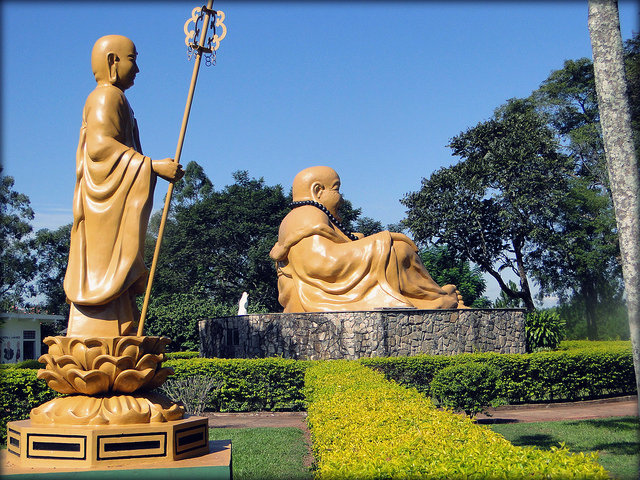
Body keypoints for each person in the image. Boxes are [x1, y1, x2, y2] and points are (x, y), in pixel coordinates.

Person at [63, 35, 184, 337]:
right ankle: (103, 326)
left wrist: (149, 166)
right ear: (112, 61)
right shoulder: (106, 97)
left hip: (110, 200)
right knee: (104, 268)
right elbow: (99, 146)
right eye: (133, 58)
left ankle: (118, 323)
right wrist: (152, 166)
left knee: (116, 277)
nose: (138, 68)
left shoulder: (117, 100)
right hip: (103, 204)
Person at [269, 166, 465, 312]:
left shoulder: (311, 214)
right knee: (397, 250)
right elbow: (322, 264)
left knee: (395, 247)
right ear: (317, 190)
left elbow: (338, 245)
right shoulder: (306, 214)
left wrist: (363, 241)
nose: (341, 197)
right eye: (336, 189)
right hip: (323, 286)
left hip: (334, 273)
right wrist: (382, 241)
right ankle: (437, 299)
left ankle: (433, 296)